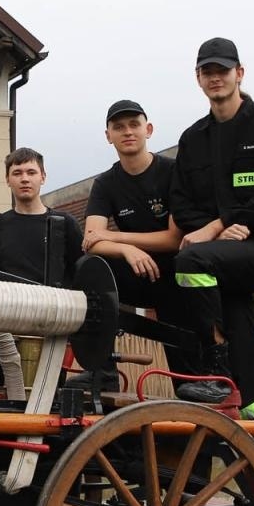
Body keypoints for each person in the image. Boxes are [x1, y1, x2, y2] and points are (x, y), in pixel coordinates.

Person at [168, 36, 254, 506]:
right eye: (207, 71)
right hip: (222, 259)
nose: (215, 77)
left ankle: (213, 358)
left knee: (190, 263)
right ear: (198, 78)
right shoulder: (193, 139)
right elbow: (181, 205)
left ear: (239, 74)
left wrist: (227, 225)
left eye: (223, 70)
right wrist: (216, 230)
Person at [0, 147, 83, 390]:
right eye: (17, 173)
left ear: (43, 177)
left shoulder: (65, 225)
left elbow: (80, 278)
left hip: (47, 336)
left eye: (31, 172)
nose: (25, 179)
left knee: (43, 401)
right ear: (8, 180)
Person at [80, 99, 190, 354]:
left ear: (148, 130)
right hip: (137, 274)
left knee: (184, 354)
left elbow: (174, 239)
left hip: (178, 274)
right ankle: (102, 366)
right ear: (108, 136)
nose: (127, 132)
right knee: (88, 266)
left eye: (134, 125)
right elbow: (91, 241)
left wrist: (117, 238)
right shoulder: (105, 183)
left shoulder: (173, 171)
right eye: (119, 127)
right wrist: (126, 249)